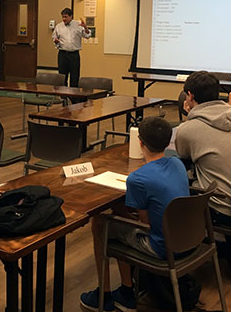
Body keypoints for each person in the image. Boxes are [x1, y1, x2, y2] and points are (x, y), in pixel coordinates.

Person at [79, 117, 189, 312]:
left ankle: (104, 295)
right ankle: (125, 290)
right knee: (119, 216)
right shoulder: (177, 163)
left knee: (100, 223)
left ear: (140, 142)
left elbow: (144, 224)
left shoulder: (138, 178)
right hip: (187, 239)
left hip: (163, 247)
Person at [176, 71, 231, 223]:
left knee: (174, 177)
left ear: (190, 95)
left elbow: (184, 155)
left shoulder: (187, 130)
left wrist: (191, 117)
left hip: (222, 209)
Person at [52, 7, 91, 87]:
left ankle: (74, 98)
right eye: (63, 17)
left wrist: (86, 28)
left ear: (71, 16)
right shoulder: (59, 26)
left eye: (66, 17)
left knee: (74, 76)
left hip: (74, 55)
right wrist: (55, 41)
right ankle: (63, 97)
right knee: (62, 77)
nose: (64, 19)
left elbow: (87, 36)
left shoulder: (78, 25)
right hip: (62, 54)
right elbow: (54, 37)